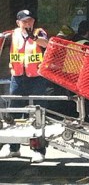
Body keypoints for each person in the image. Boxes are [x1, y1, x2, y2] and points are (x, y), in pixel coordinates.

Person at [0, 9, 48, 163]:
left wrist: (34, 37)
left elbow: (47, 44)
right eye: (25, 21)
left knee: (37, 115)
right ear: (18, 22)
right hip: (18, 78)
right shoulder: (11, 34)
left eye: (30, 20)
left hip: (37, 79)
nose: (28, 23)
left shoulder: (40, 32)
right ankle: (14, 148)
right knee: (13, 112)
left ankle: (39, 150)